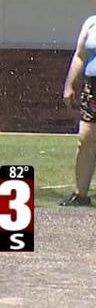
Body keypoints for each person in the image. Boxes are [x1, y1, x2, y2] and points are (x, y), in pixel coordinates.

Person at [59, 15, 96, 206]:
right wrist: (69, 84)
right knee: (86, 138)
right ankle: (81, 194)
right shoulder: (91, 23)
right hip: (93, 87)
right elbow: (80, 55)